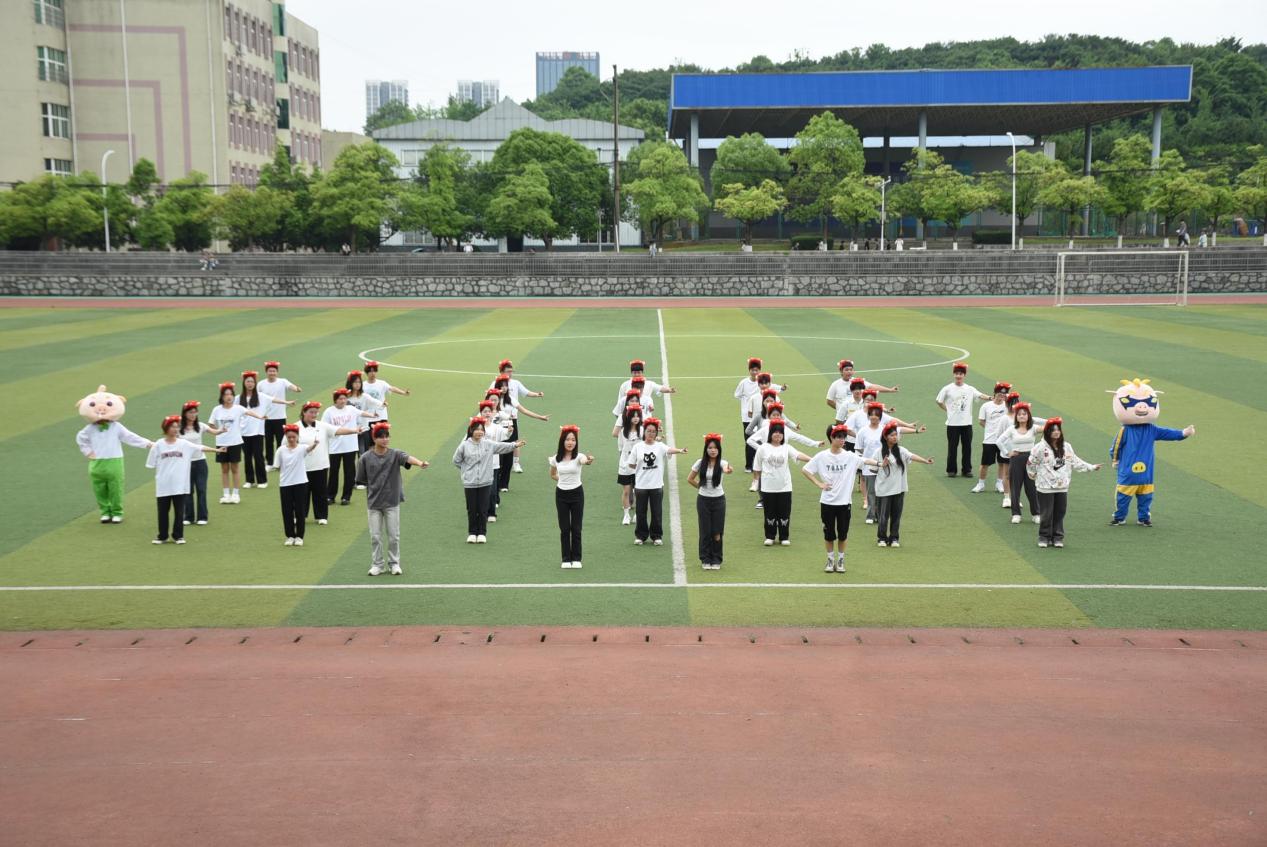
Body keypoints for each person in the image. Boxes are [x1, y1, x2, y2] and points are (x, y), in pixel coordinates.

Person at [356, 422, 429, 575]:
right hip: (373, 503)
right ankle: (377, 565)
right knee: (375, 537)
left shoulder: (395, 454)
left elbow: (407, 458)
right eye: (381, 437)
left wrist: (420, 463)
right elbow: (361, 479)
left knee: (393, 536)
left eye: (387, 436)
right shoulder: (365, 458)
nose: (385, 440)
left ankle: (394, 563)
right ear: (374, 439)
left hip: (392, 502)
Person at [802, 424, 875, 571]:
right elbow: (805, 469)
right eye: (839, 437)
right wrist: (819, 484)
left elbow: (865, 460)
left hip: (844, 503)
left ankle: (840, 561)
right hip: (827, 503)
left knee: (843, 535)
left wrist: (879, 463)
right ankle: (830, 560)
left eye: (844, 437)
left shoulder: (850, 456)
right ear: (832, 438)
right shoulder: (822, 456)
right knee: (829, 535)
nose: (842, 440)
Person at [1026, 418, 1102, 548]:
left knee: (1060, 512)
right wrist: (1032, 474)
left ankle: (1057, 537)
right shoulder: (1039, 448)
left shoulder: (1066, 447)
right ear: (1047, 432)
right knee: (1046, 513)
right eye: (1053, 430)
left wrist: (1091, 467)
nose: (1056, 432)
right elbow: (1031, 463)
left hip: (1062, 486)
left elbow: (1075, 461)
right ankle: (1044, 537)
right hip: (1045, 487)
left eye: (1058, 430)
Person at [146, 416, 222, 544]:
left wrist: (216, 450)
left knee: (179, 511)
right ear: (166, 428)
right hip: (163, 485)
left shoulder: (184, 444)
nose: (176, 429)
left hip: (179, 485)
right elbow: (151, 463)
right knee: (162, 512)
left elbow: (200, 447)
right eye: (173, 427)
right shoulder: (158, 445)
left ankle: (178, 536)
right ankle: (162, 536)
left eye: (177, 427)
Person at [452, 417, 523, 544]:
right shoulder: (464, 445)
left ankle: (482, 533)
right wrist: (466, 471)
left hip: (486, 482)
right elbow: (456, 460)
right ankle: (472, 533)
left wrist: (514, 445)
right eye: (477, 429)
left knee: (482, 508)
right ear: (471, 430)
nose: (479, 432)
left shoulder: (488, 444)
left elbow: (501, 446)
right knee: (472, 509)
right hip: (470, 483)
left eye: (482, 430)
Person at [854, 402, 925, 524]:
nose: (874, 417)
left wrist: (916, 431)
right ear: (868, 416)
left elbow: (900, 429)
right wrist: (868, 458)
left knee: (881, 492)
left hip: (886, 466)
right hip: (870, 465)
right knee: (871, 492)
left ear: (880, 417)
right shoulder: (862, 431)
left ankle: (879, 514)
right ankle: (870, 515)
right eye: (872, 415)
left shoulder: (884, 429)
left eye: (877, 415)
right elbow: (859, 448)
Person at [298, 401, 362, 527]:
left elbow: (338, 430)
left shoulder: (322, 426)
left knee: (320, 492)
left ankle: (321, 516)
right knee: (302, 493)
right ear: (304, 412)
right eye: (311, 412)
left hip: (320, 465)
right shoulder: (296, 427)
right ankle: (301, 516)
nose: (314, 414)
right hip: (302, 466)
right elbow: (287, 444)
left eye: (316, 412)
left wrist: (354, 430)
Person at [626, 417, 688, 546]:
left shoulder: (660, 446)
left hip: (656, 485)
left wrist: (680, 450)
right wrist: (640, 468)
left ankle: (656, 536)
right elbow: (631, 464)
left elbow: (669, 450)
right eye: (648, 431)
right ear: (644, 432)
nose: (651, 434)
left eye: (653, 431)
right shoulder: (638, 447)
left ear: (656, 433)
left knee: (656, 512)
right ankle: (641, 536)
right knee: (641, 512)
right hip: (641, 485)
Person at [873, 421, 935, 548]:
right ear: (885, 437)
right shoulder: (878, 452)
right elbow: (872, 468)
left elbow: (911, 456)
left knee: (896, 515)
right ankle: (882, 538)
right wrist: (881, 466)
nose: (895, 437)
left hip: (899, 488)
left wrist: (925, 461)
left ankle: (894, 538)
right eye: (891, 435)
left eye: (896, 435)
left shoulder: (901, 451)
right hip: (884, 490)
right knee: (883, 516)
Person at [753, 420, 813, 546]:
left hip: (785, 487)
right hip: (768, 487)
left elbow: (798, 455)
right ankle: (770, 536)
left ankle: (784, 537)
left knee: (784, 512)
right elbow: (757, 467)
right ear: (770, 433)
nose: (778, 434)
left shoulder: (786, 448)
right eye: (775, 432)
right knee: (769, 512)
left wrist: (812, 460)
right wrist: (755, 482)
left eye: (780, 432)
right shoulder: (763, 448)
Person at [208, 382, 268, 504]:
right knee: (224, 469)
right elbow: (211, 423)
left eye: (231, 394)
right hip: (221, 443)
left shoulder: (238, 408)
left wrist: (260, 417)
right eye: (226, 394)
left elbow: (249, 412)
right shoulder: (217, 409)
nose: (229, 397)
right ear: (222, 396)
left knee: (235, 469)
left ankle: (235, 494)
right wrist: (218, 431)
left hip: (235, 442)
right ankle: (226, 494)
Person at [323, 388, 376, 506]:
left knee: (349, 473)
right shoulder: (329, 411)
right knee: (333, 472)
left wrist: (372, 415)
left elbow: (361, 413)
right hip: (335, 448)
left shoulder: (351, 409)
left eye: (344, 398)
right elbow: (324, 426)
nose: (343, 401)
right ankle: (330, 496)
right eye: (340, 399)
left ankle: (346, 497)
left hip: (350, 447)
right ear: (335, 400)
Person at [935, 362, 989, 478]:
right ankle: (951, 470)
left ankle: (967, 470)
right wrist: (948, 410)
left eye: (961, 374)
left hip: (966, 423)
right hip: (952, 424)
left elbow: (980, 395)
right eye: (956, 373)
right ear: (954, 374)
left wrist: (990, 398)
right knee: (952, 447)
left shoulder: (969, 389)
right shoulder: (947, 388)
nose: (958, 376)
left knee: (967, 447)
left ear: (964, 375)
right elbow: (939, 401)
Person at [550, 425, 593, 569]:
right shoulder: (555, 459)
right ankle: (565, 559)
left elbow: (585, 461)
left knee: (576, 527)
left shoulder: (579, 456)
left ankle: (576, 558)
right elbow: (553, 474)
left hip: (577, 494)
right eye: (568, 439)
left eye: (573, 440)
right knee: (564, 528)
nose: (570, 442)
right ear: (562, 441)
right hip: (561, 495)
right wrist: (563, 480)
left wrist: (589, 460)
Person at [687, 433, 733, 570]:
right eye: (710, 448)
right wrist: (701, 488)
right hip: (703, 500)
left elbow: (727, 469)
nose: (713, 450)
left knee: (717, 531)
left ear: (719, 450)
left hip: (719, 500)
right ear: (706, 449)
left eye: (715, 448)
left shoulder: (722, 463)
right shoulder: (700, 462)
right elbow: (690, 479)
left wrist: (729, 470)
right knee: (705, 531)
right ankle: (705, 558)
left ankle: (716, 558)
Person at [238, 370, 289, 490]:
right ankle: (249, 480)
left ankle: (262, 480)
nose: (250, 384)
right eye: (248, 381)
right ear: (244, 383)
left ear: (255, 383)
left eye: (252, 382)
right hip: (243, 432)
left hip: (257, 431)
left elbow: (274, 399)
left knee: (258, 456)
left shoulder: (261, 396)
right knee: (247, 457)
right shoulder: (238, 398)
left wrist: (286, 402)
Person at [997, 402, 1046, 525]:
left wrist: (1047, 422)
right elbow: (999, 441)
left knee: (1031, 488)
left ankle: (1036, 514)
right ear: (1016, 417)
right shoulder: (1012, 429)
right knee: (1015, 488)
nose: (1022, 416)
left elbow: (1047, 427)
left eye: (1024, 414)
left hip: (1030, 460)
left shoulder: (1033, 428)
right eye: (1019, 414)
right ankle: (1016, 514)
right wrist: (1007, 453)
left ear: (1028, 416)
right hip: (1016, 459)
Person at [491, 359, 544, 474]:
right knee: (497, 440)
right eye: (508, 371)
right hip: (498, 420)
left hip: (512, 418)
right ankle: (496, 464)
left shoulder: (515, 384)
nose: (510, 373)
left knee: (514, 440)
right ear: (501, 372)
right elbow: (489, 398)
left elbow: (526, 392)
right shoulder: (495, 383)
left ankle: (515, 463)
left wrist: (537, 394)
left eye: (511, 371)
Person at [178, 400, 222, 527]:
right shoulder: (179, 428)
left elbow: (214, 432)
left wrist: (222, 430)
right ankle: (188, 517)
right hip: (185, 464)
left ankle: (202, 517)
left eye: (195, 412)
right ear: (185, 413)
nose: (193, 415)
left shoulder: (200, 426)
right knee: (188, 490)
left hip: (200, 462)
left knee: (201, 489)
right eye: (190, 412)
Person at [271, 423, 316, 546]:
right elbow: (277, 466)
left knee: (300, 511)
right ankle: (290, 536)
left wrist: (315, 444)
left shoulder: (302, 448)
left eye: (293, 437)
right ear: (286, 437)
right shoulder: (281, 450)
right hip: (285, 484)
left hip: (300, 483)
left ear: (297, 437)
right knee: (287, 511)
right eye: (289, 437)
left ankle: (299, 537)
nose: (291, 439)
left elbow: (309, 449)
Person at [973, 381, 1013, 497]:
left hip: (1004, 441)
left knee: (1002, 463)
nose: (1002, 395)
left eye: (1004, 394)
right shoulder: (986, 406)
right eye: (1000, 393)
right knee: (985, 463)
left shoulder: (1008, 406)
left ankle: (999, 483)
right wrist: (991, 429)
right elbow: (981, 421)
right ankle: (981, 484)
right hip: (989, 440)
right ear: (995, 393)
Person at [826, 359, 897, 423]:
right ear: (841, 371)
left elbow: (872, 387)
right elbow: (829, 401)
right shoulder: (835, 384)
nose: (849, 372)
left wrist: (890, 390)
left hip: (859, 418)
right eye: (846, 370)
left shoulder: (858, 382)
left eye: (851, 370)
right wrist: (841, 409)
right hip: (844, 419)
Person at [259, 361, 301, 467]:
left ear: (277, 372)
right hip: (266, 418)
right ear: (266, 372)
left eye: (274, 371)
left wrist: (296, 389)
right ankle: (269, 463)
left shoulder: (282, 381)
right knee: (268, 441)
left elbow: (291, 386)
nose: (272, 373)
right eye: (270, 371)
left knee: (281, 441)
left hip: (280, 417)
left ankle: (280, 462)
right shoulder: (261, 384)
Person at [361, 360, 410, 444]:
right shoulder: (363, 385)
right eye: (370, 371)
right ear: (367, 372)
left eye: (375, 371)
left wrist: (403, 393)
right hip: (368, 417)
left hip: (381, 416)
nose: (373, 373)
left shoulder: (382, 383)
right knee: (371, 443)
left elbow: (392, 388)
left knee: (383, 440)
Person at [615, 403, 644, 525]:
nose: (636, 418)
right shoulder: (622, 432)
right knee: (626, 491)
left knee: (638, 491)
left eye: (638, 416)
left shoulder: (642, 430)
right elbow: (621, 448)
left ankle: (637, 514)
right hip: (625, 465)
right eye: (633, 416)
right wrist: (624, 463)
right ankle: (626, 515)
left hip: (639, 465)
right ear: (628, 417)